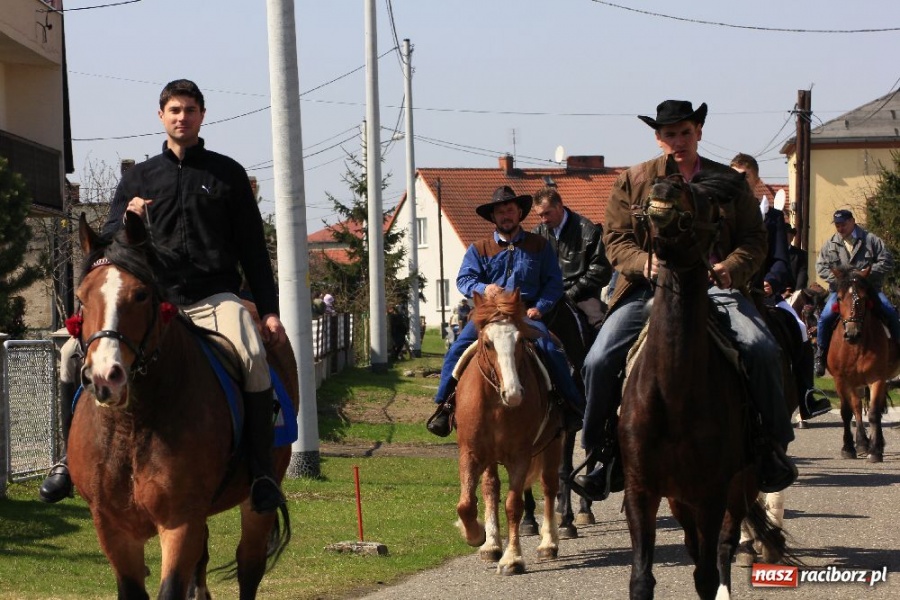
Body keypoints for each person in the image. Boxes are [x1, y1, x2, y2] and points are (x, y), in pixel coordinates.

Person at [39, 79, 286, 514]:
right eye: (174, 110)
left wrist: (268, 312)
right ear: (161, 116)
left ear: (201, 116)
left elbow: (254, 251)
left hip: (213, 298)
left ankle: (261, 470)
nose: (182, 117)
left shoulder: (226, 174)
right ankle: (64, 459)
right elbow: (110, 247)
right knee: (69, 357)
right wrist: (128, 219)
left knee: (251, 356)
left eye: (190, 110)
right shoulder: (137, 178)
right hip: (148, 305)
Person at [574, 100, 797, 501]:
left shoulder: (728, 181)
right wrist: (645, 263)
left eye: (685, 132)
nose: (678, 141)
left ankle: (771, 447)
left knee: (762, 348)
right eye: (670, 134)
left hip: (716, 287)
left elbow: (754, 238)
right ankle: (601, 454)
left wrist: (731, 267)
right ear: (658, 139)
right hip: (648, 287)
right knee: (598, 359)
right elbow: (615, 239)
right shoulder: (633, 180)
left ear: (698, 132)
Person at [426, 186, 585, 437]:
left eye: (509, 210)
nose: (505, 216)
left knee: (550, 349)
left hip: (524, 315)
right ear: (493, 217)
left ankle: (571, 406)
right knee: (458, 348)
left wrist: (540, 308)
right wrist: (482, 287)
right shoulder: (479, 249)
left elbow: (554, 283)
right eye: (500, 212)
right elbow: (464, 279)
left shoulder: (539, 246)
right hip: (487, 316)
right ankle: (444, 407)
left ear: (519, 212)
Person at [814, 209, 900, 376]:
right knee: (824, 317)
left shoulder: (871, 240)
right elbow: (821, 268)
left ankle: (897, 349)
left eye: (843, 224)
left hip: (869, 289)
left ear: (853, 221)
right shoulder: (830, 244)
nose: (840, 228)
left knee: (889, 311)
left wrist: (865, 274)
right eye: (837, 225)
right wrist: (842, 279)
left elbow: (887, 260)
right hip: (841, 291)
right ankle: (820, 355)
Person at [531, 186, 612, 328]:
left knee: (600, 324)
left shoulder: (587, 231)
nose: (544, 220)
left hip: (582, 296)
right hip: (547, 295)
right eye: (540, 215)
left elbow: (601, 270)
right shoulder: (537, 234)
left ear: (559, 206)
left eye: (547, 213)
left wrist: (572, 292)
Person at [730, 153, 792, 306]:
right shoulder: (719, 213)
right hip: (725, 289)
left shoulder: (773, 217)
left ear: (756, 181)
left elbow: (780, 259)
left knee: (799, 327)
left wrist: (770, 281)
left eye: (746, 177)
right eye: (734, 176)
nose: (740, 181)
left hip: (761, 292)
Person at [786, 226, 809, 293]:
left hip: (793, 292)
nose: (786, 237)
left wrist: (797, 293)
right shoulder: (772, 253)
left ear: (792, 237)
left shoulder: (800, 254)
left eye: (789, 234)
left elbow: (802, 274)